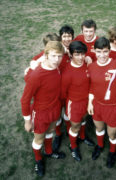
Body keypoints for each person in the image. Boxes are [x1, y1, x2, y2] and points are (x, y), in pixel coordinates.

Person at [20, 41, 66, 177]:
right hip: (40, 113)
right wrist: (27, 121)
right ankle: (38, 160)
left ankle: (49, 151)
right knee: (38, 139)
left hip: (55, 109)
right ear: (45, 55)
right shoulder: (36, 75)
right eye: (53, 56)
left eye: (59, 56)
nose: (57, 60)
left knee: (50, 131)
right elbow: (25, 100)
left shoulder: (57, 68)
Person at [87, 37, 116, 168]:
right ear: (94, 51)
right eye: (99, 52)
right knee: (99, 128)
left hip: (113, 107)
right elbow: (92, 86)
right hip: (97, 105)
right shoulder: (91, 67)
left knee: (112, 134)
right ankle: (100, 145)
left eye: (105, 51)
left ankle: (112, 152)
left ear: (109, 51)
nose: (102, 55)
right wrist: (90, 102)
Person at [61, 41, 94, 162]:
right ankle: (73, 146)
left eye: (82, 54)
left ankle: (83, 136)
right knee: (75, 125)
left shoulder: (87, 65)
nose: (80, 57)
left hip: (87, 101)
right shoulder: (67, 73)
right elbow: (63, 93)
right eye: (77, 54)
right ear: (71, 54)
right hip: (74, 104)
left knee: (84, 120)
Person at [52, 24, 76, 152]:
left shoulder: (75, 50)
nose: (67, 39)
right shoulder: (56, 50)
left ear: (73, 37)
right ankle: (58, 134)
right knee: (56, 114)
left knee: (67, 112)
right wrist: (33, 64)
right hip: (55, 91)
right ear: (61, 37)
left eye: (69, 36)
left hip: (69, 91)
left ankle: (68, 130)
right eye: (64, 36)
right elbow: (40, 57)